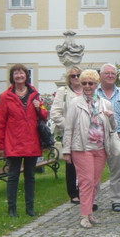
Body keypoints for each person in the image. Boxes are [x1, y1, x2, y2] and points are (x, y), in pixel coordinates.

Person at [61, 69, 116, 228]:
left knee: (95, 182)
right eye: (84, 83)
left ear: (96, 84)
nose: (87, 86)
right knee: (86, 181)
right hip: (82, 148)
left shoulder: (104, 103)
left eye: (90, 83)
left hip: (100, 148)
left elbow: (113, 127)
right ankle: (84, 215)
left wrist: (111, 116)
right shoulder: (75, 103)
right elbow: (68, 128)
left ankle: (90, 212)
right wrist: (66, 150)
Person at [0, 64, 48, 218]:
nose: (19, 76)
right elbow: (1, 122)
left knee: (30, 176)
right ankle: (12, 209)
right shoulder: (6, 96)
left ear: (26, 76)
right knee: (13, 176)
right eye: (16, 74)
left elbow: (45, 116)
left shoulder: (35, 94)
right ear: (12, 77)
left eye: (21, 73)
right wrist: (1, 143)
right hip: (14, 142)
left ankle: (30, 207)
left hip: (32, 141)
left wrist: (40, 108)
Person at [96, 64, 120, 212]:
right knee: (95, 171)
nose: (110, 76)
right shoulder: (94, 93)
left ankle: (116, 200)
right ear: (100, 75)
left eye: (113, 73)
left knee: (118, 170)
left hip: (116, 136)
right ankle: (93, 200)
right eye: (107, 73)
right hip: (97, 138)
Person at [51, 66, 83, 205]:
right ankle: (73, 193)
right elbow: (55, 114)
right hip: (70, 133)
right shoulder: (63, 92)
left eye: (78, 75)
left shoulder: (87, 90)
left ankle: (84, 190)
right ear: (68, 78)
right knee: (71, 163)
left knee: (85, 163)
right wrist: (69, 125)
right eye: (73, 76)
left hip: (87, 133)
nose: (76, 78)